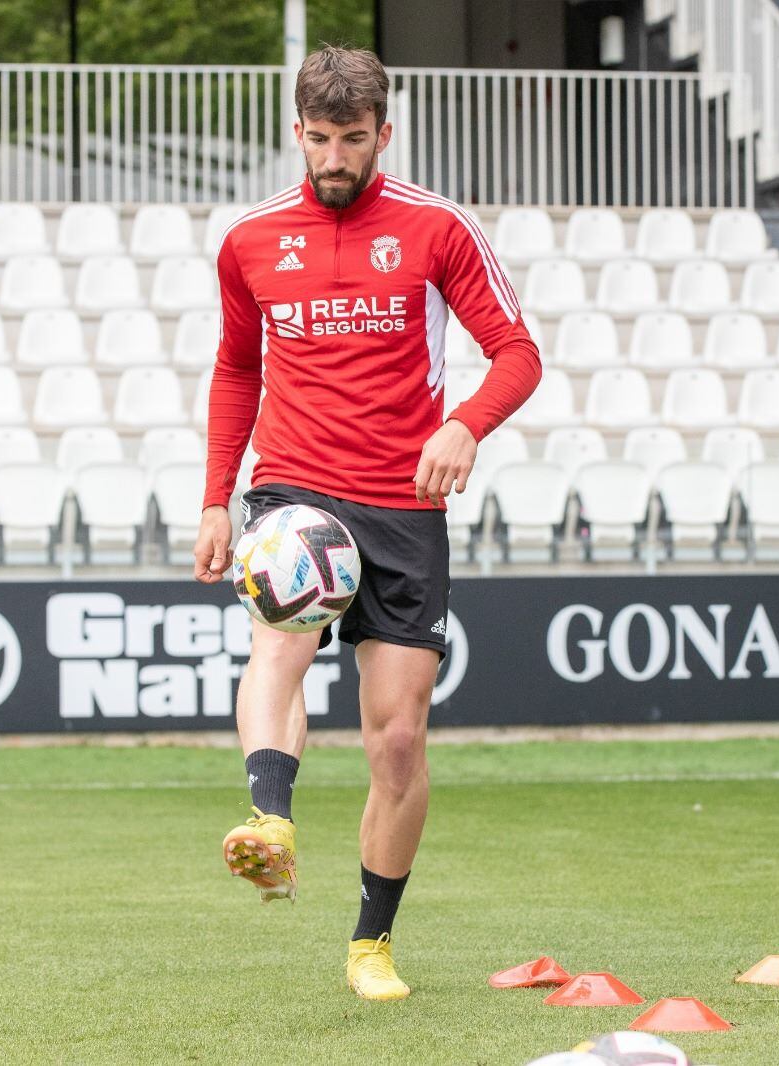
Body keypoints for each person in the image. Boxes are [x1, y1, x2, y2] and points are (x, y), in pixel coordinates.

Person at [193, 44, 541, 1001]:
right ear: (296, 133)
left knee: (396, 742)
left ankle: (371, 944)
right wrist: (218, 497)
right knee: (281, 642)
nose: (334, 158)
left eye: (352, 139)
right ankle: (269, 820)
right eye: (319, 139)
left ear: (383, 133)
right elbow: (236, 368)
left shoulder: (437, 228)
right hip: (295, 485)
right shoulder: (252, 239)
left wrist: (466, 424)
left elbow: (516, 351)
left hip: (402, 503)